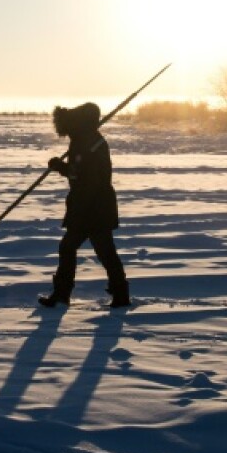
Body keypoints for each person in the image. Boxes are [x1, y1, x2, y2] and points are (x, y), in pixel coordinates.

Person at [39, 102, 130, 308]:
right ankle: (65, 294)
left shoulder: (91, 142)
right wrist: (63, 167)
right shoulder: (84, 139)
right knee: (90, 250)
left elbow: (84, 175)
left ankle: (118, 295)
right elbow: (79, 171)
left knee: (99, 251)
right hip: (89, 205)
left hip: (93, 206)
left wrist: (62, 167)